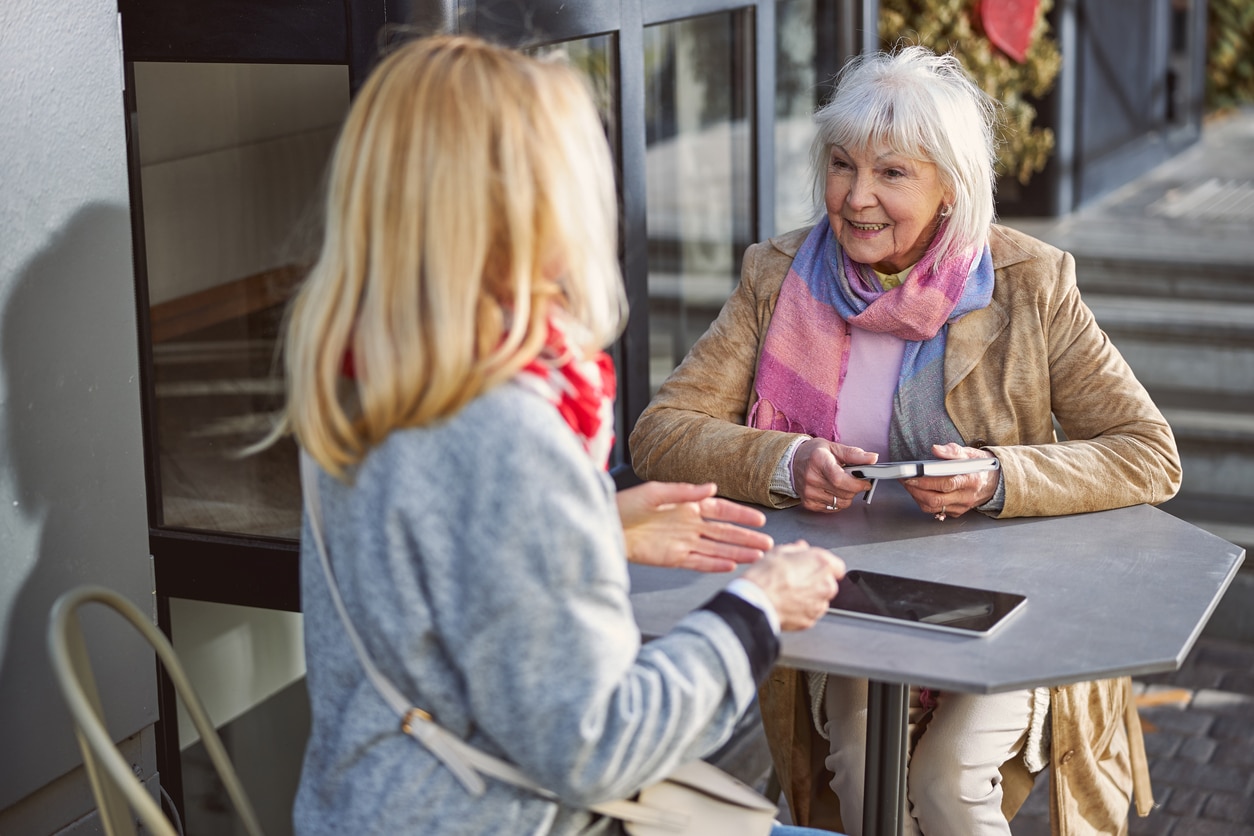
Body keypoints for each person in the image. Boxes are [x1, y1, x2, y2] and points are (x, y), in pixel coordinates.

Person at [267, 34, 849, 835]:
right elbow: (596, 746)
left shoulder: (366, 379)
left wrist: (593, 529)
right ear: (526, 209)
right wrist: (759, 606)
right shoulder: (506, 430)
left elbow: (427, 590)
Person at [629, 45, 1181, 835]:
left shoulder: (1030, 281)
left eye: (892, 174)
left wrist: (998, 476)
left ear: (951, 187)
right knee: (860, 768)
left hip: (1007, 599)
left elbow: (1147, 451)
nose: (856, 198)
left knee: (948, 781)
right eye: (843, 165)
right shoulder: (778, 273)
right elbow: (662, 434)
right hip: (846, 593)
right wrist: (785, 462)